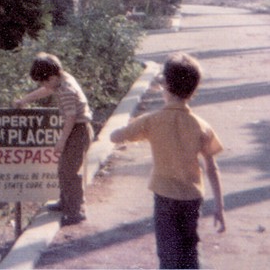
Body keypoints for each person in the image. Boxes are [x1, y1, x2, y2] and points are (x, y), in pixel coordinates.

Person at [111, 52, 226, 269]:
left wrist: (119, 129)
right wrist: (219, 206)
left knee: (168, 253)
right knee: (189, 250)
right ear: (193, 90)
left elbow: (117, 136)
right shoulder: (201, 126)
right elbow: (212, 168)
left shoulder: (152, 121)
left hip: (164, 195)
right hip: (192, 197)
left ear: (165, 85)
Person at [14, 52, 93, 226]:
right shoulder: (61, 79)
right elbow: (46, 90)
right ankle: (65, 201)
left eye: (44, 81)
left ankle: (76, 211)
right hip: (75, 129)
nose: (43, 85)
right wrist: (25, 100)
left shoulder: (66, 90)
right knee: (63, 168)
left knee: (70, 171)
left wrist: (61, 141)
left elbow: (71, 118)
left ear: (51, 77)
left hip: (78, 130)